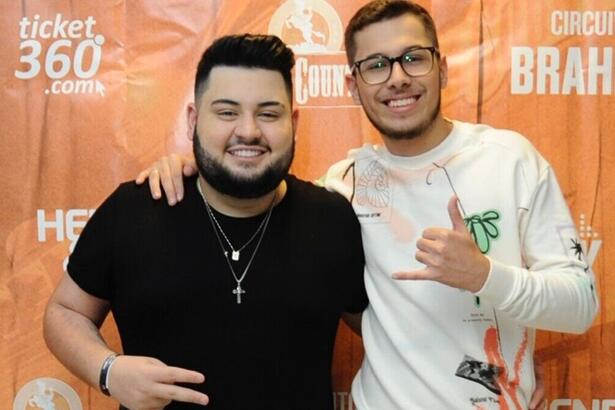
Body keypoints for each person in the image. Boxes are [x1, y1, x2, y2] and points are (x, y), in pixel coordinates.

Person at [138, 1, 599, 409]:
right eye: (376, 65)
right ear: (354, 85)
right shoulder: (342, 187)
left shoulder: (510, 159)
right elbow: (252, 190)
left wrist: (485, 277)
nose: (397, 77)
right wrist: (192, 164)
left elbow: (580, 305)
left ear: (441, 69)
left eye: (413, 58)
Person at [44, 34, 368, 410]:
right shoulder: (135, 208)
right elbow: (64, 311)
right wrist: (107, 371)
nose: (248, 130)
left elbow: (387, 327)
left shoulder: (332, 219)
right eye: (227, 112)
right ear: (193, 120)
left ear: (293, 122)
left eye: (268, 113)